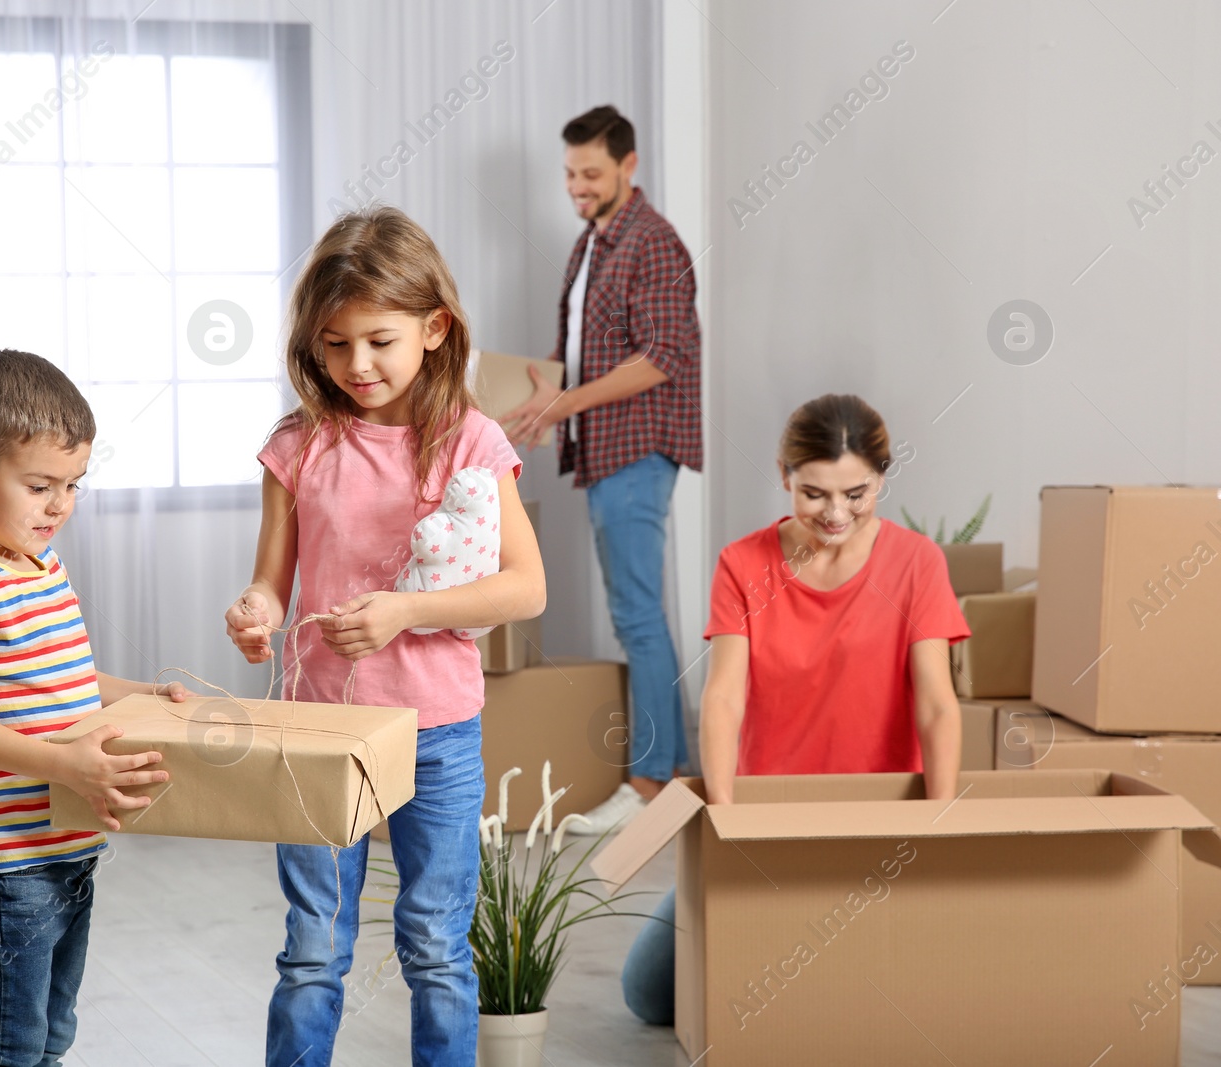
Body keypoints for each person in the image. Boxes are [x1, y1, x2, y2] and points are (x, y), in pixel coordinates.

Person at [224, 206, 546, 1067]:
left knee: (436, 948)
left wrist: (403, 611)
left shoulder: (472, 441)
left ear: (435, 328)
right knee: (312, 950)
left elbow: (525, 586)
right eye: (334, 344)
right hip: (318, 729)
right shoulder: (299, 444)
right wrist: (256, 610)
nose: (356, 364)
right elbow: (272, 579)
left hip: (435, 732)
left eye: (379, 340)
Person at [619, 393, 968, 1024]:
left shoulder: (918, 563)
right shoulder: (743, 563)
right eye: (814, 494)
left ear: (882, 479)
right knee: (647, 992)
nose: (836, 513)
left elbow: (938, 707)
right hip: (770, 813)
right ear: (785, 475)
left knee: (863, 985)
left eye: (856, 494)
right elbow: (723, 695)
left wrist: (937, 828)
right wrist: (725, 821)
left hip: (879, 816)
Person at [0, 349, 190, 1066]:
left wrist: (142, 693)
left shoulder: (39, 564)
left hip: (64, 845)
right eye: (39, 485)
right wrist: (62, 761)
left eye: (73, 485)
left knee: (47, 1040)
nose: (60, 504)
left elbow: (63, 679)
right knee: (6, 1048)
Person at [500, 104, 701, 833]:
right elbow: (597, 348)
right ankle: (674, 774)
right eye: (569, 174)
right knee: (637, 614)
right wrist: (553, 396)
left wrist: (565, 404)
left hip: (639, 446)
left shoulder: (654, 243)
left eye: (591, 173)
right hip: (605, 444)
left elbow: (660, 357)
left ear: (629, 166)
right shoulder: (594, 242)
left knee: (638, 616)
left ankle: (649, 783)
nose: (577, 186)